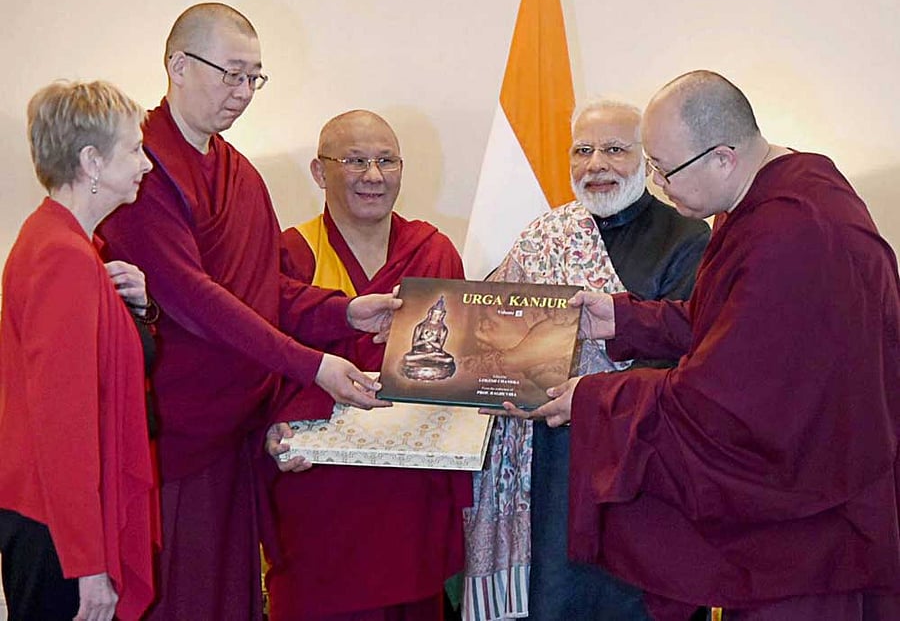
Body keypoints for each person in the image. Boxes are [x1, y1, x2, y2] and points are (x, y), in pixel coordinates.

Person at [524, 71, 900, 620]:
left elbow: (722, 406)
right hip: (817, 499)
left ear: (723, 157)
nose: (656, 183)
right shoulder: (789, 190)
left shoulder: (793, 232)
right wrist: (624, 320)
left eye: (662, 168)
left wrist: (594, 398)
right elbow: (742, 325)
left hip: (808, 534)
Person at [98, 5, 399, 620]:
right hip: (172, 428)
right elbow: (196, 301)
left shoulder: (240, 173)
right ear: (177, 66)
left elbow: (266, 290)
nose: (243, 93)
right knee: (174, 592)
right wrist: (312, 365)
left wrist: (347, 314)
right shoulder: (142, 170)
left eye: (254, 78)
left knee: (229, 595)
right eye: (231, 73)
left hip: (237, 422)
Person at [463, 99, 710, 620]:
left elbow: (691, 350)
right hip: (551, 457)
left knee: (632, 599)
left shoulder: (687, 237)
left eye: (615, 149)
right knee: (556, 596)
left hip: (641, 456)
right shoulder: (543, 235)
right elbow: (489, 328)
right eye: (583, 150)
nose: (597, 164)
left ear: (647, 159)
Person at [265, 110, 472, 621]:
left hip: (409, 491)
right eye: (355, 160)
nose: (373, 176)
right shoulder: (290, 253)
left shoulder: (432, 250)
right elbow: (263, 362)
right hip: (321, 494)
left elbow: (458, 368)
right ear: (320, 172)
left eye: (386, 161)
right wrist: (273, 428)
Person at [0, 81, 158, 621]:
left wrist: (134, 310)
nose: (146, 165)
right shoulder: (62, 256)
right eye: (134, 149)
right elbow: (62, 423)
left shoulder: (67, 244)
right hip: (57, 530)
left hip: (52, 520)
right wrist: (88, 565)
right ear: (92, 161)